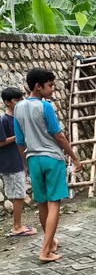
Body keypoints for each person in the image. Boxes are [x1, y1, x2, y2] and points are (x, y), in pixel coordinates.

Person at [13, 68, 83, 263]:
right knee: (54, 204)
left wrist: (25, 164)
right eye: (50, 85)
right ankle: (45, 250)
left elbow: (20, 141)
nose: (53, 89)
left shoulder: (18, 108)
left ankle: (50, 242)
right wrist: (74, 157)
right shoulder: (45, 107)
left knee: (42, 203)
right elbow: (58, 135)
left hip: (33, 159)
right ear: (38, 86)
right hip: (52, 158)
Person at [1, 87, 37, 238]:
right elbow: (1, 142)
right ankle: (17, 226)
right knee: (18, 195)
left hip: (17, 160)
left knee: (18, 194)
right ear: (8, 102)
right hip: (11, 162)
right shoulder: (4, 120)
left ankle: (18, 224)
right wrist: (18, 136)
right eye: (17, 100)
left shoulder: (17, 117)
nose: (20, 102)